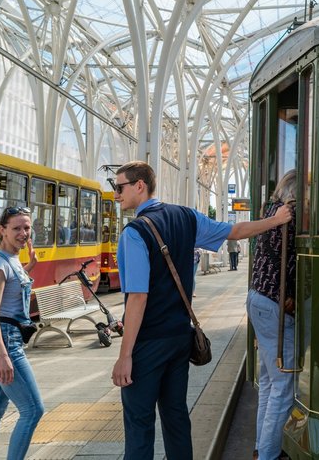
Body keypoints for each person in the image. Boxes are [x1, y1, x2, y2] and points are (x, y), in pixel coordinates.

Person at [110, 160, 291, 460]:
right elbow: (236, 230)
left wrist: (125, 355)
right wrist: (276, 220)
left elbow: (138, 298)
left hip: (148, 343)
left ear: (138, 186)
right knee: (177, 417)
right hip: (181, 338)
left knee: (140, 424)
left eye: (119, 187)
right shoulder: (186, 217)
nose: (116, 194)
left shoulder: (135, 233)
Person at [0, 207, 43, 460]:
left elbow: (11, 293)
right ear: (2, 230)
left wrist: (29, 267)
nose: (23, 233)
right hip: (5, 343)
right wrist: (3, 356)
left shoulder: (11, 260)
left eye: (27, 228)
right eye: (16, 228)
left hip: (4, 340)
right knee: (33, 410)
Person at [247, 170, 297, 460]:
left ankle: (261, 449)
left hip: (257, 299)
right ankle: (268, 455)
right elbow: (287, 263)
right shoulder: (287, 215)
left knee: (268, 382)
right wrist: (288, 295)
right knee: (283, 386)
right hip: (272, 306)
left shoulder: (270, 211)